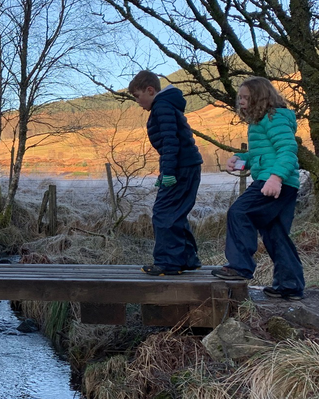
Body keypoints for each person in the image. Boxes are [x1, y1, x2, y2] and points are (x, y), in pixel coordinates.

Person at [213, 76, 305, 301]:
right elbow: (263, 155)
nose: (241, 102)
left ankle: (240, 266)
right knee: (276, 234)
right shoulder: (260, 122)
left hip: (274, 182)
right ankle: (290, 286)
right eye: (240, 98)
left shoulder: (274, 118)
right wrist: (241, 159)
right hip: (280, 181)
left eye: (246, 98)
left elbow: (287, 149)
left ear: (260, 98)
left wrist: (275, 178)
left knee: (239, 212)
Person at [129, 70, 203, 276]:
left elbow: (171, 141)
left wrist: (168, 173)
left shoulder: (161, 106)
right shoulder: (168, 105)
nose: (137, 101)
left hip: (180, 168)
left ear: (150, 90)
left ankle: (167, 263)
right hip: (187, 166)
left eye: (137, 96)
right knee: (176, 213)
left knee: (163, 213)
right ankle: (187, 259)